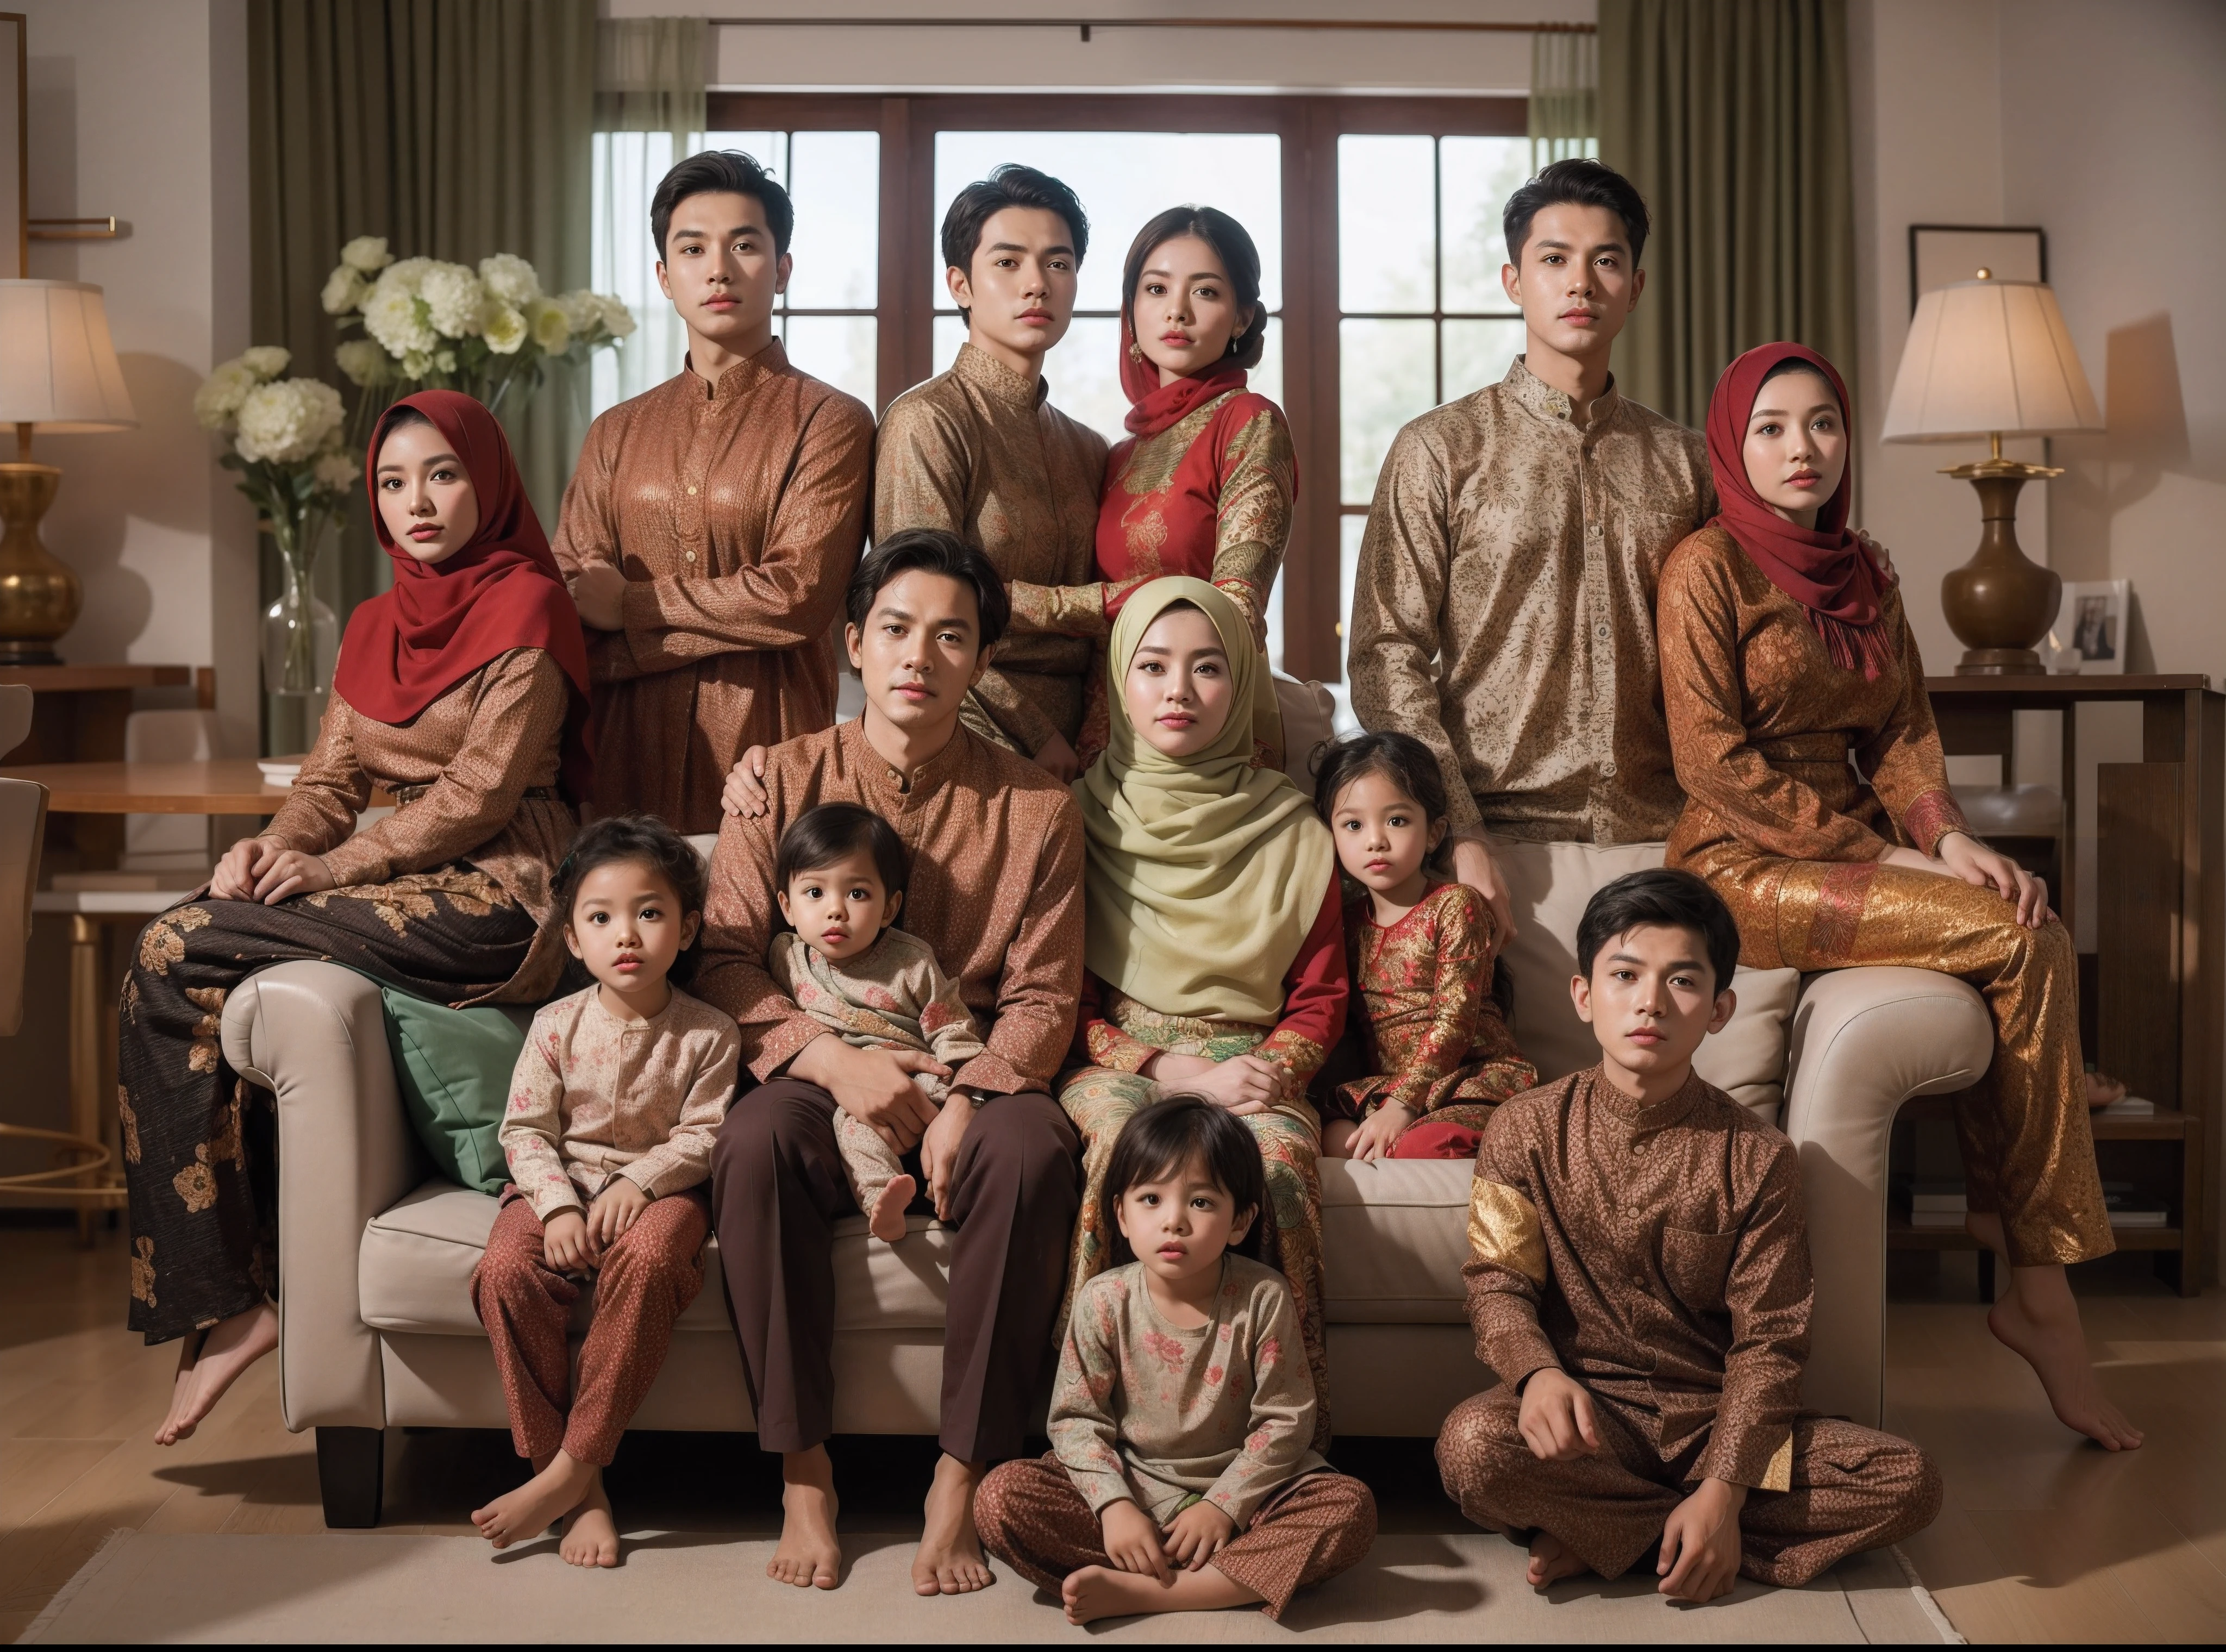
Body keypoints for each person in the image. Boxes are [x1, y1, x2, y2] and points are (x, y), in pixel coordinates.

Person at [1656, 342, 2140, 1451]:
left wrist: (1949, 835)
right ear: (1732, 442)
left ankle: (2018, 1239)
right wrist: (1895, 862)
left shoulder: (1864, 569)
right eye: (1771, 426)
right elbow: (1713, 766)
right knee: (2019, 940)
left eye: (1821, 422)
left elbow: (1903, 734)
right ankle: (2037, 1284)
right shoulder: (1703, 567)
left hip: (1862, 856)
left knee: (2025, 916)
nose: (1800, 447)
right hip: (1740, 869)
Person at [121, 390, 590, 1449]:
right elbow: (330, 778)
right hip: (376, 885)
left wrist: (328, 863)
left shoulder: (530, 605)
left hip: (501, 895)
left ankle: (247, 1303)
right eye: (391, 481)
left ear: (488, 480)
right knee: (168, 948)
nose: (416, 500)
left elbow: (479, 789)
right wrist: (269, 846)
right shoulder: (376, 623)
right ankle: (235, 1300)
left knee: (182, 941)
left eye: (441, 474)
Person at [693, 528, 1086, 1597]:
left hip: (974, 1066)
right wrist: (825, 1057)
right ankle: (804, 1470)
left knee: (1034, 1148)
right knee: (754, 1135)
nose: (921, 653)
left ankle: (959, 1477)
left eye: (951, 635)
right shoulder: (775, 777)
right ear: (856, 642)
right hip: (816, 1071)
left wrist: (963, 1094)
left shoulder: (1039, 807)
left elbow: (1047, 992)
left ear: (978, 662)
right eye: (898, 628)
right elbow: (724, 955)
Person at [1435, 869, 1943, 1600]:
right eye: (1624, 976)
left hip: (1719, 1424)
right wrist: (1536, 1375)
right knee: (1473, 1449)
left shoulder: (1760, 1157)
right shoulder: (1523, 1127)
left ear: (1718, 1008)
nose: (1649, 1002)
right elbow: (1497, 1284)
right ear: (1584, 996)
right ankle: (1679, 1540)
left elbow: (1771, 1342)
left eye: (1681, 981)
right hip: (1586, 1423)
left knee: (1909, 1482)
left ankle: (1618, 1534)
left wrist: (1726, 1488)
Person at [1059, 577, 1346, 1444]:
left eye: (1208, 668)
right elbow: (1063, 995)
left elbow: (1322, 996)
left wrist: (1260, 1075)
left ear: (1244, 683)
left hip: (1254, 1060)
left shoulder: (1297, 832)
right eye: (1152, 667)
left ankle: (1284, 1436)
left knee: (1283, 1163)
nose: (1178, 691)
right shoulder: (1077, 818)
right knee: (1118, 1146)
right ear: (1120, 680)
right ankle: (1093, 1427)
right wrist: (1168, 1071)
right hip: (1124, 1060)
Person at [553, 149, 873, 833]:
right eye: (693, 248)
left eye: (745, 245)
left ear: (782, 269)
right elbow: (574, 604)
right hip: (620, 759)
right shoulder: (616, 431)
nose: (719, 268)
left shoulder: (831, 420)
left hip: (766, 757)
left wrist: (632, 606)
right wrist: (724, 622)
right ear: (666, 278)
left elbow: (796, 598)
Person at [976, 1099, 1377, 1624]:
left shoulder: (1263, 1297)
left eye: (1202, 1203)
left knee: (1350, 1509)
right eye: (1151, 1198)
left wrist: (1223, 1506)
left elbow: (1286, 1421)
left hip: (1247, 1497)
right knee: (1000, 1498)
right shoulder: (1102, 1300)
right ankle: (1206, 1574)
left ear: (1241, 1221)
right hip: (1135, 1488)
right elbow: (1076, 1422)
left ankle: (1153, 1591)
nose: (1174, 1222)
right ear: (1121, 1215)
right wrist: (1115, 1507)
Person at [470, 815, 738, 1567]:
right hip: (557, 1186)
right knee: (504, 1271)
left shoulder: (712, 1033)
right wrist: (556, 1204)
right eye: (601, 917)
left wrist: (640, 1183)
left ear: (686, 930)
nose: (627, 935)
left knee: (652, 1262)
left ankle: (574, 1467)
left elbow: (709, 1134)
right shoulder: (555, 1026)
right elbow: (524, 1130)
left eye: (650, 914)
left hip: (667, 1192)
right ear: (574, 940)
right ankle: (572, 1487)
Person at [872, 164, 1108, 779]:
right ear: (960, 284)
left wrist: (1092, 734)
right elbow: (923, 618)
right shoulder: (926, 421)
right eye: (1008, 263)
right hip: (966, 727)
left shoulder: (1086, 446)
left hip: (1089, 743)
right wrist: (1035, 735)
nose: (1037, 284)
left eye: (1058, 264)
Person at [1073, 205, 1295, 768]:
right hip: (1105, 731)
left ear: (1242, 316)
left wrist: (1034, 605)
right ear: (1131, 311)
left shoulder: (1248, 421)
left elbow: (1233, 609)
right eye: (1155, 289)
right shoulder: (1120, 454)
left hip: (1199, 728)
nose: (1176, 311)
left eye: (1205, 292)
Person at [1310, 730, 1536, 1162]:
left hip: (1467, 1081)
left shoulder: (1455, 905)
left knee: (1420, 1146)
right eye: (1353, 825)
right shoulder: (1349, 921)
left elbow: (1456, 1019)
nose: (1375, 840)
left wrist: (1403, 1105)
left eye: (1396, 820)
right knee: (1333, 1135)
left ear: (1434, 834)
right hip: (1392, 1089)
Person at [767, 802, 988, 1242]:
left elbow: (952, 1028)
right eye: (815, 893)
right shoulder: (785, 959)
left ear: (889, 909)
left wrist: (964, 1092)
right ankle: (884, 1201)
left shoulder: (912, 962)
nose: (836, 910)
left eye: (858, 894)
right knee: (851, 1127)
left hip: (920, 1076)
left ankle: (951, 1190)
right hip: (847, 1094)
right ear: (787, 906)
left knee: (965, 1127)